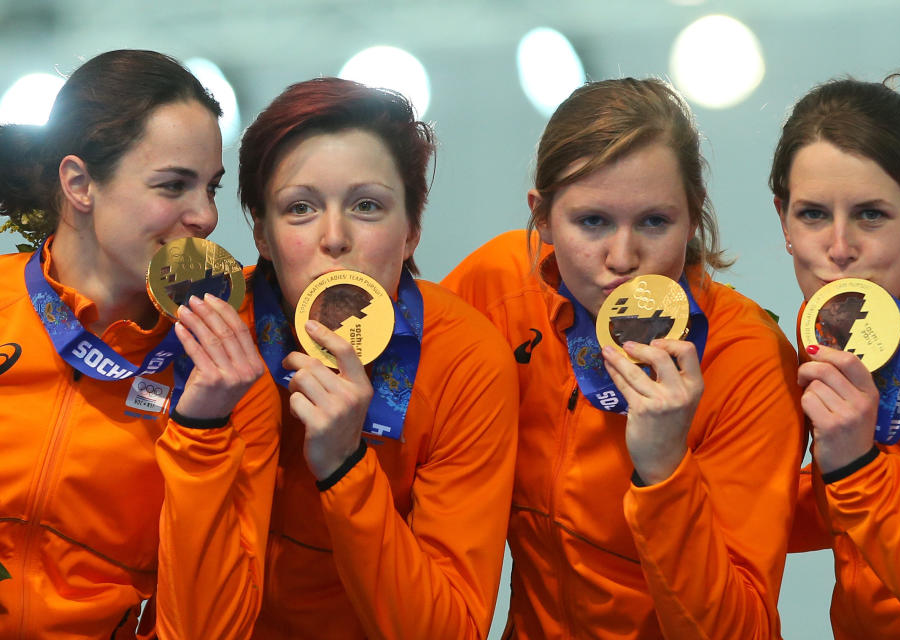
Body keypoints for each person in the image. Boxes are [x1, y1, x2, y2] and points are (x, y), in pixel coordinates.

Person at [443, 77, 805, 639]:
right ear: (541, 217)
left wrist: (664, 471)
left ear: (692, 217)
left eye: (655, 222)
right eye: (592, 222)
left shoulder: (748, 360)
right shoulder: (495, 289)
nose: (623, 257)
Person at [0, 50, 280, 639]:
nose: (204, 215)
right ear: (79, 183)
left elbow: (210, 632)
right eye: (174, 185)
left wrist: (203, 430)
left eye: (210, 188)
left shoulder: (230, 378)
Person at [237, 77, 518, 639]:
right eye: (300, 208)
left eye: (367, 206)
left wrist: (344, 465)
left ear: (412, 230)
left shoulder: (464, 358)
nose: (335, 238)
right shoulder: (218, 333)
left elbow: (452, 631)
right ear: (262, 235)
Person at [775, 75, 900, 639]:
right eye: (812, 214)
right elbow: (831, 505)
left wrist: (856, 468)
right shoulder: (841, 335)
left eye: (870, 215)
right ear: (783, 220)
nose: (838, 247)